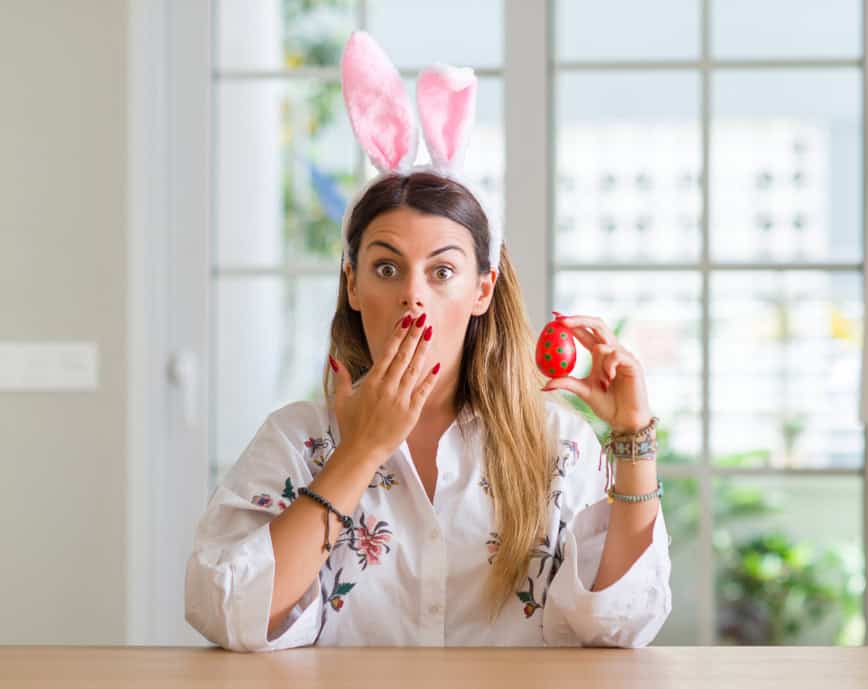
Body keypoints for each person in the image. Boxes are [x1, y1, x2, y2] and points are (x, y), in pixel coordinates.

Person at [184, 31, 671, 652]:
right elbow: (225, 613)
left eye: (442, 271)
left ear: (482, 291)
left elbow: (622, 627)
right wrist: (360, 451)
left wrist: (633, 443)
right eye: (386, 268)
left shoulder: (559, 444)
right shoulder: (295, 439)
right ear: (353, 285)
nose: (414, 296)